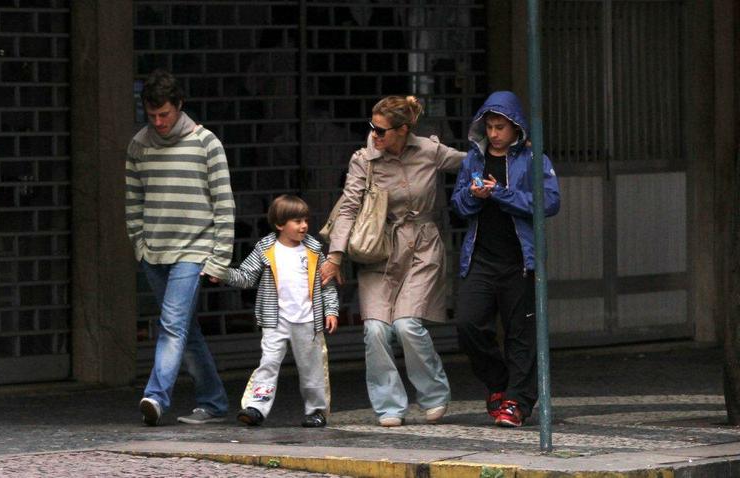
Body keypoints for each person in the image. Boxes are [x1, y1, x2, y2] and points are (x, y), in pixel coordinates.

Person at [320, 95, 465, 427]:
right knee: (374, 330)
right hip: (378, 251)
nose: (374, 135)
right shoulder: (364, 160)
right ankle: (389, 406)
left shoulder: (430, 150)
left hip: (422, 247)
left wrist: (514, 150)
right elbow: (348, 208)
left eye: (381, 130)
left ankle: (434, 395)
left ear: (403, 130)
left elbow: (470, 161)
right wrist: (335, 256)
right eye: (372, 128)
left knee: (407, 325)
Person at [125, 69, 234, 426]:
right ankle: (214, 402)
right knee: (185, 329)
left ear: (180, 106)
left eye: (165, 115)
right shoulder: (139, 145)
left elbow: (223, 203)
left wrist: (218, 259)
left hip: (194, 249)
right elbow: (133, 198)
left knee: (171, 325)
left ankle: (156, 397)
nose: (158, 122)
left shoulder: (206, 143)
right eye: (152, 115)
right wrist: (140, 244)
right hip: (154, 251)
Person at [450, 90, 560, 428]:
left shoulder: (534, 159)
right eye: (489, 127)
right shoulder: (473, 159)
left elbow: (549, 203)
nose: (494, 133)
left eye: (500, 127)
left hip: (519, 261)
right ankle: (498, 384)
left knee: (520, 335)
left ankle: (518, 402)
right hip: (480, 258)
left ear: (516, 128)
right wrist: (474, 195)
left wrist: (500, 193)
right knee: (467, 323)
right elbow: (457, 206)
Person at [220, 195, 339, 428]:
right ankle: (256, 407)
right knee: (269, 362)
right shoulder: (266, 249)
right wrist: (223, 274)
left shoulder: (314, 249)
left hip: (308, 320)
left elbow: (328, 284)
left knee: (312, 368)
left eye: (305, 220)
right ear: (280, 224)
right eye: (297, 221)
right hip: (275, 320)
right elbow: (245, 276)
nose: (304, 225)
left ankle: (317, 411)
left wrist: (331, 310)